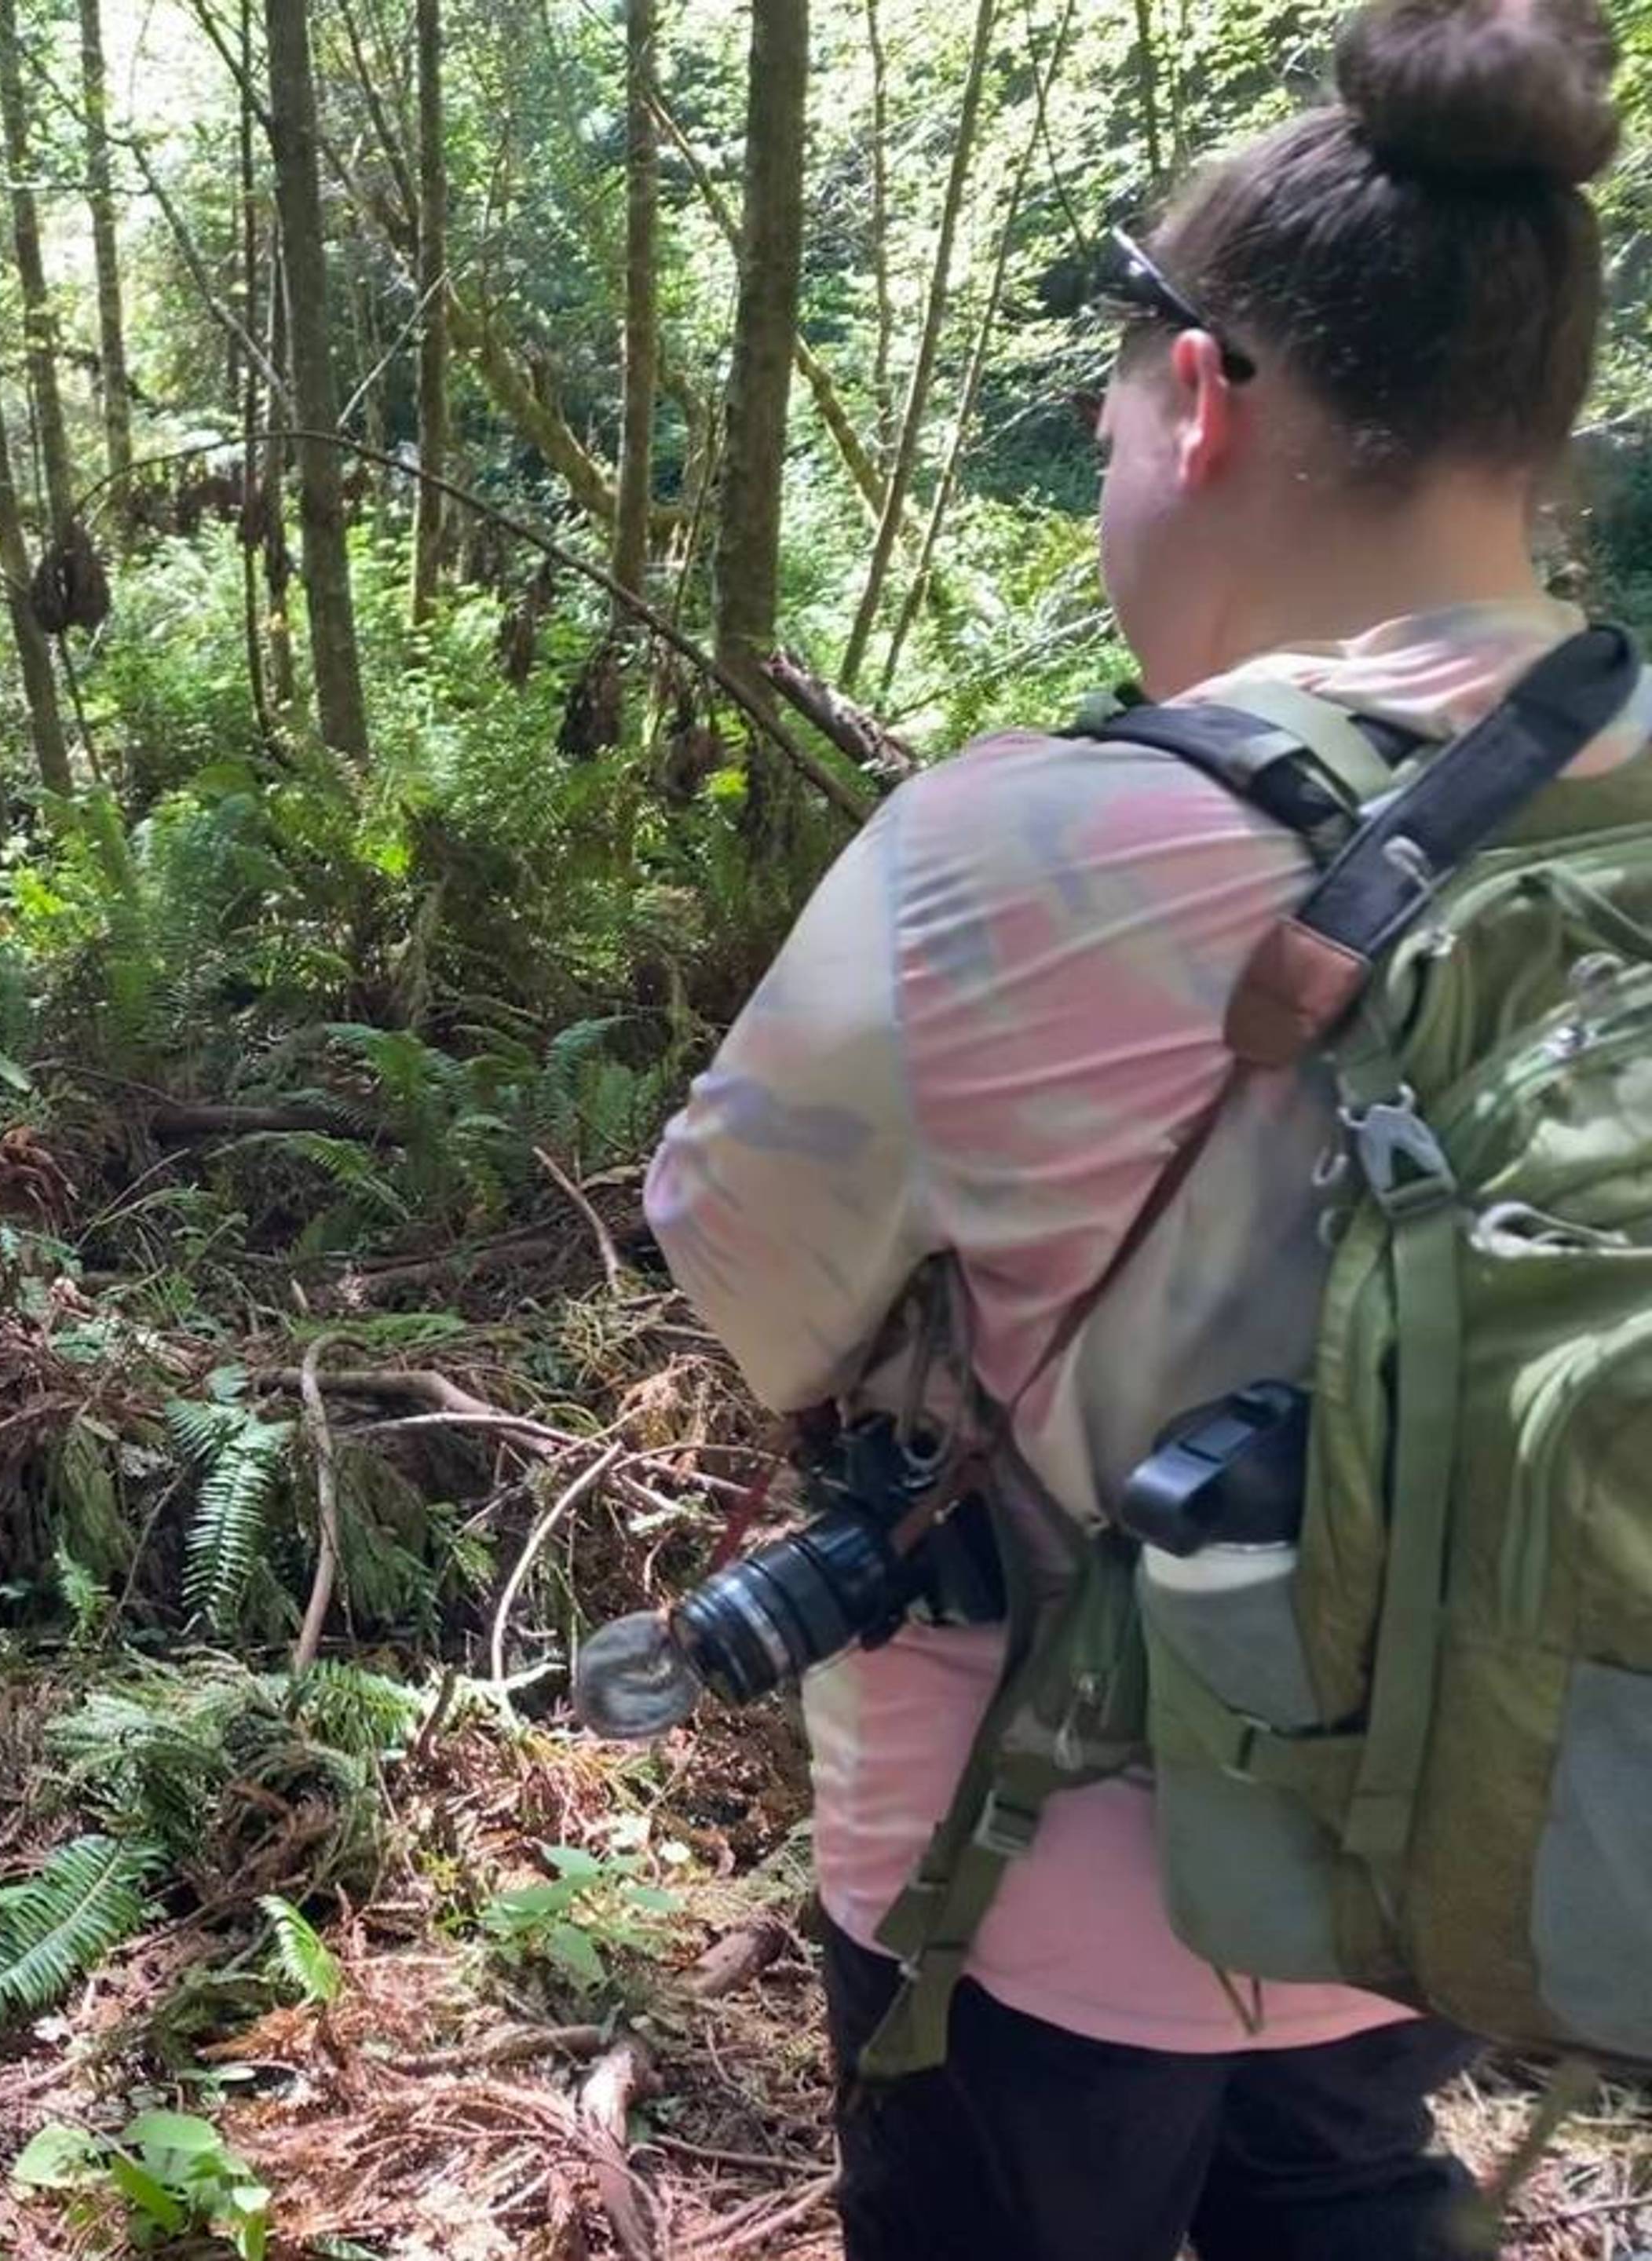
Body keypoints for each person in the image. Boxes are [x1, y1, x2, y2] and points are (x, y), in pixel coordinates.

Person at [643, 2, 1647, 2254]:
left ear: (1194, 401)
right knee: (1342, 2185)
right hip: (1505, 1840)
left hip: (1036, 1912)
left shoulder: (1015, 847)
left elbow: (743, 1267)